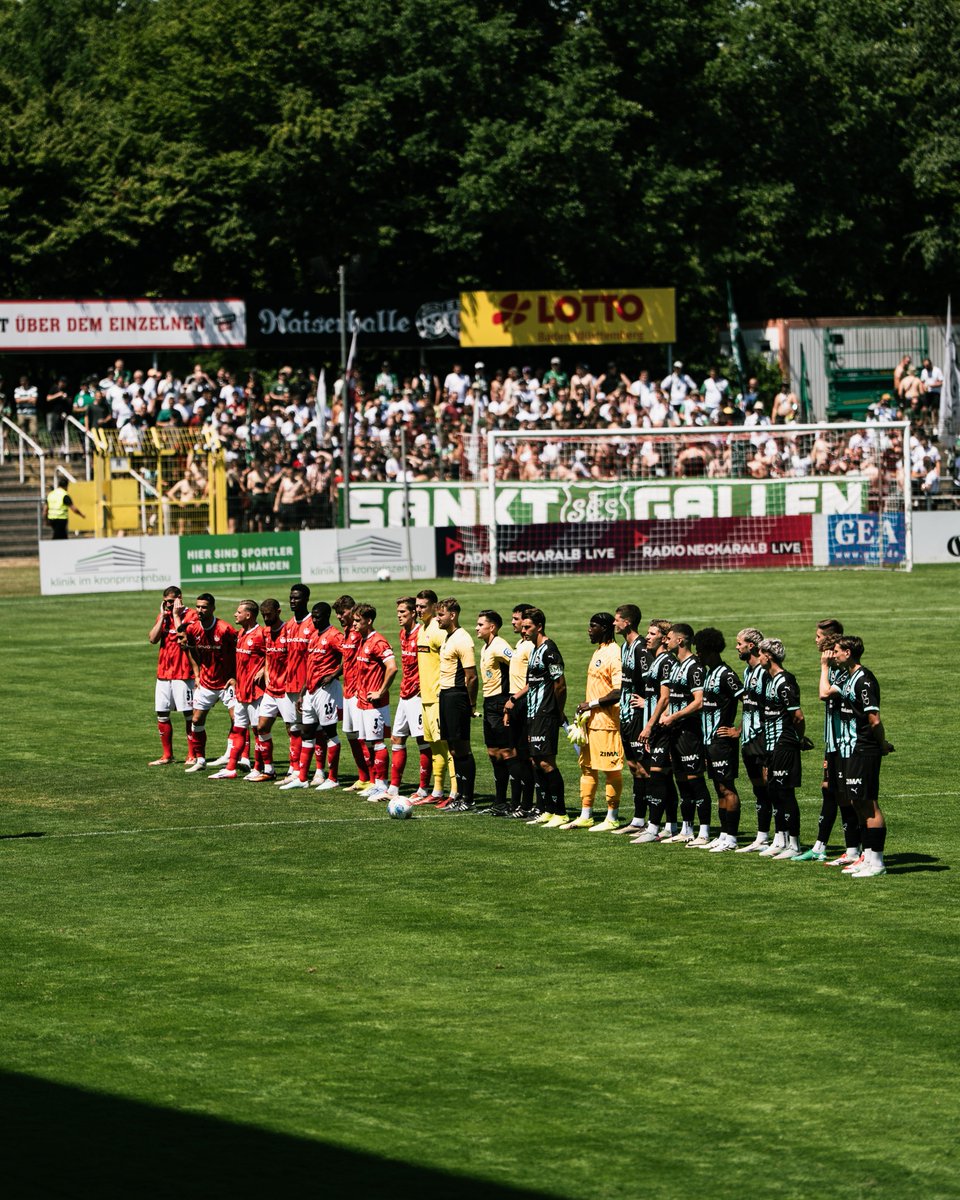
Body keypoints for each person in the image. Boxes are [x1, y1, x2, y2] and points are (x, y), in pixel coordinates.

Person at [821, 636, 893, 878]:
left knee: (869, 804)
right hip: (850, 749)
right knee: (858, 803)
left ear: (849, 652)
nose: (835, 654)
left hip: (864, 749)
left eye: (838, 651)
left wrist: (881, 744)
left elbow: (874, 719)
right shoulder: (849, 677)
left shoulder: (864, 680)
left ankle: (878, 862)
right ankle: (867, 858)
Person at [794, 619, 860, 863]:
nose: (816, 640)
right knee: (829, 790)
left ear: (831, 640)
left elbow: (823, 694)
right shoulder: (834, 667)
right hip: (832, 742)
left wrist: (823, 667)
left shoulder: (844, 669)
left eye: (819, 636)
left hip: (846, 743)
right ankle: (821, 846)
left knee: (845, 795)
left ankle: (854, 850)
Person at [643, 623, 709, 845]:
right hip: (674, 731)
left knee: (695, 781)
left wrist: (673, 716)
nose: (666, 640)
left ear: (680, 641)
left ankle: (705, 832)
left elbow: (698, 702)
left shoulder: (695, 667)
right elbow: (671, 698)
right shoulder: (677, 666)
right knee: (682, 782)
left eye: (669, 638)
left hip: (689, 732)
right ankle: (687, 829)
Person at [568, 612, 623, 831]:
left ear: (605, 627)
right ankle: (586, 814)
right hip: (590, 722)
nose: (589, 630)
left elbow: (618, 692)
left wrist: (590, 704)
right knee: (588, 768)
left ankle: (612, 817)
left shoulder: (614, 653)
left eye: (593, 626)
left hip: (607, 722)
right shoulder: (599, 650)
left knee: (611, 769)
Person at [515, 608, 568, 828]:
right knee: (536, 761)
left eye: (527, 627)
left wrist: (557, 711)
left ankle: (560, 812)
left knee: (546, 762)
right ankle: (546, 809)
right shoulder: (535, 649)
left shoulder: (549, 649)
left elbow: (560, 683)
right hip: (533, 713)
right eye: (523, 626)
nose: (523, 630)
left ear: (539, 626)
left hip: (545, 713)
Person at [174, 593, 238, 774]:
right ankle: (200, 760)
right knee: (196, 720)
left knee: (237, 719)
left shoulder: (225, 629)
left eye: (204, 607)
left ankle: (234, 755)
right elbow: (191, 651)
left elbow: (239, 653)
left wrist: (235, 677)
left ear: (212, 608)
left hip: (227, 683)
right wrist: (196, 674)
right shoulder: (193, 629)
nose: (200, 610)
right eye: (198, 607)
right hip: (207, 682)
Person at [694, 627, 744, 852]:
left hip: (723, 742)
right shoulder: (708, 673)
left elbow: (749, 702)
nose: (698, 656)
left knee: (727, 788)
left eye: (701, 652)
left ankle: (732, 838)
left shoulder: (727, 674)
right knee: (718, 788)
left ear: (710, 650)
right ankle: (724, 834)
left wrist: (738, 730)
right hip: (709, 741)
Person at [633, 619, 681, 843]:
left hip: (661, 728)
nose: (647, 637)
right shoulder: (657, 661)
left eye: (652, 634)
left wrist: (650, 725)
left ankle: (653, 827)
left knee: (657, 776)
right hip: (654, 725)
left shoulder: (666, 662)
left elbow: (666, 696)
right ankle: (670, 825)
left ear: (663, 638)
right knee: (663, 777)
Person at [756, 638, 805, 859]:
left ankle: (794, 844)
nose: (758, 657)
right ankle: (782, 839)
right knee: (774, 792)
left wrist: (798, 738)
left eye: (761, 653)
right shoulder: (769, 679)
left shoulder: (785, 682)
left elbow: (798, 716)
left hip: (784, 744)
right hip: (771, 745)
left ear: (769, 656)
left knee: (785, 793)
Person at [210, 600, 263, 779]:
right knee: (239, 729)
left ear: (248, 615)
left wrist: (265, 669)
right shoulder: (240, 633)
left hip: (256, 693)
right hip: (241, 691)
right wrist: (234, 678)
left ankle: (258, 768)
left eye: (238, 612)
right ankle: (231, 768)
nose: (235, 614)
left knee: (258, 731)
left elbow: (274, 655)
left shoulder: (260, 634)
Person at [436, 598, 478, 813]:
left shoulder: (463, 639)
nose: (437, 618)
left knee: (461, 748)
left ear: (452, 615)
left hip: (457, 696)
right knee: (453, 747)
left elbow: (471, 676)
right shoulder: (448, 637)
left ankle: (467, 798)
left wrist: (471, 704)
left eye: (441, 615)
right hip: (446, 695)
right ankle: (460, 795)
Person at [611, 603, 649, 836]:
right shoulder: (625, 647)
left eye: (617, 620)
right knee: (634, 767)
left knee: (645, 769)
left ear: (628, 622)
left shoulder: (641, 648)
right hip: (625, 714)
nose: (614, 623)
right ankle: (638, 819)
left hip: (638, 715)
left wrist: (647, 704)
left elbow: (650, 681)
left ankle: (652, 821)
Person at [733, 628, 773, 854]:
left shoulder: (765, 673)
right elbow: (748, 707)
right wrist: (739, 729)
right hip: (748, 738)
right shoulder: (748, 672)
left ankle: (781, 837)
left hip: (763, 737)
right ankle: (762, 836)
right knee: (758, 788)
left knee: (771, 787)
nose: (737, 647)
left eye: (740, 643)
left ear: (752, 646)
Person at [247, 598, 296, 782]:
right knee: (261, 727)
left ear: (278, 611)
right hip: (271, 689)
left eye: (269, 614)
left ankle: (294, 769)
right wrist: (265, 670)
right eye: (264, 615)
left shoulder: (288, 632)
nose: (266, 618)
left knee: (292, 729)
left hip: (286, 690)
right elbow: (267, 654)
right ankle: (269, 770)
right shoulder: (266, 632)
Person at [352, 603, 398, 801]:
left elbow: (392, 667)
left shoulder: (378, 642)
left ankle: (382, 784)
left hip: (375, 704)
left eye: (357, 621)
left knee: (378, 743)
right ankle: (374, 782)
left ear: (368, 621)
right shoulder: (363, 640)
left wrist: (381, 691)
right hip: (363, 701)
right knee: (368, 743)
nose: (353, 624)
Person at [148, 586, 197, 765]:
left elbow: (183, 637)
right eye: (165, 602)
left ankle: (192, 754)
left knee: (189, 714)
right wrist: (162, 616)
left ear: (179, 598)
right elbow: (152, 639)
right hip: (163, 673)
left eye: (170, 601)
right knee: (162, 713)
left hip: (184, 673)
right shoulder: (164, 616)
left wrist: (176, 616)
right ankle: (167, 755)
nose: (168, 605)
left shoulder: (191, 615)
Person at [414, 589, 454, 805]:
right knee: (434, 747)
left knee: (447, 747)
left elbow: (450, 662)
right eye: (417, 606)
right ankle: (437, 791)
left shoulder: (438, 632)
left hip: (439, 697)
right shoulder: (423, 629)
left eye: (423, 606)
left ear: (434, 607)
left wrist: (443, 689)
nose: (419, 610)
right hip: (426, 697)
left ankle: (455, 793)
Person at [389, 598, 430, 801]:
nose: (399, 615)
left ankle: (423, 789)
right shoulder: (402, 633)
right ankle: (394, 788)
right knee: (397, 738)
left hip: (417, 694)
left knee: (422, 740)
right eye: (397, 611)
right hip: (405, 693)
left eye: (403, 612)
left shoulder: (422, 634)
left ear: (413, 613)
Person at [475, 609, 514, 816]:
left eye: (480, 624)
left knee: (506, 753)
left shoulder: (500, 645)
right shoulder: (486, 647)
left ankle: (514, 802)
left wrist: (511, 698)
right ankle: (499, 801)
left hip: (500, 702)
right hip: (488, 703)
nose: (477, 628)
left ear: (492, 627)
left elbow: (516, 663)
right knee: (493, 754)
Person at [502, 603, 537, 819]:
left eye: (516, 619)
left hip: (523, 702)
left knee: (527, 756)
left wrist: (515, 699)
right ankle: (518, 803)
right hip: (514, 702)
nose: (514, 623)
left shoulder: (531, 647)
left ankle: (529, 804)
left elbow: (534, 681)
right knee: (517, 754)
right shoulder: (520, 644)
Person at [334, 595, 373, 792]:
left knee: (364, 736)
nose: (340, 617)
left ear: (352, 610)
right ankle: (363, 777)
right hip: (346, 691)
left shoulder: (360, 634)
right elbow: (347, 661)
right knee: (350, 734)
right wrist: (334, 673)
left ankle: (374, 780)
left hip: (359, 691)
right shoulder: (346, 632)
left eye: (343, 613)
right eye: (338, 614)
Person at [307, 602, 345, 791]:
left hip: (327, 690)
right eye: (313, 617)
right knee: (312, 731)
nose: (314, 620)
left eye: (318, 617)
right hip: (311, 690)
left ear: (327, 616)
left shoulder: (334, 635)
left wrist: (334, 675)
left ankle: (333, 777)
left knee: (330, 732)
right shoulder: (314, 635)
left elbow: (350, 656)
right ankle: (318, 772)